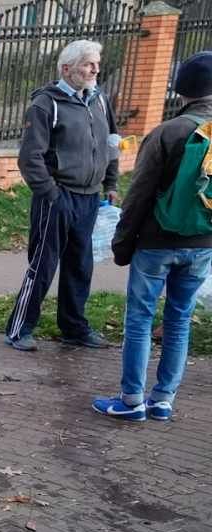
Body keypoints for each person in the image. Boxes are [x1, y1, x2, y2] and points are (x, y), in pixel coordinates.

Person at [95, 50, 212, 422]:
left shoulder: (168, 132)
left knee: (140, 319)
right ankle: (163, 399)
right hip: (202, 245)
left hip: (156, 243)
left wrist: (122, 244)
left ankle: (132, 400)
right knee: (179, 319)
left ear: (182, 90)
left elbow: (139, 195)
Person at [7, 39, 120, 351]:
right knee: (43, 264)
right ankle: (19, 329)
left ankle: (74, 328)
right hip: (57, 197)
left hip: (90, 197)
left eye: (97, 64)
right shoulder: (46, 104)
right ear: (67, 68)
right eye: (88, 64)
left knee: (80, 266)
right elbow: (30, 158)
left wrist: (111, 183)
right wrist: (51, 193)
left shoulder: (99, 100)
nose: (95, 70)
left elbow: (111, 143)